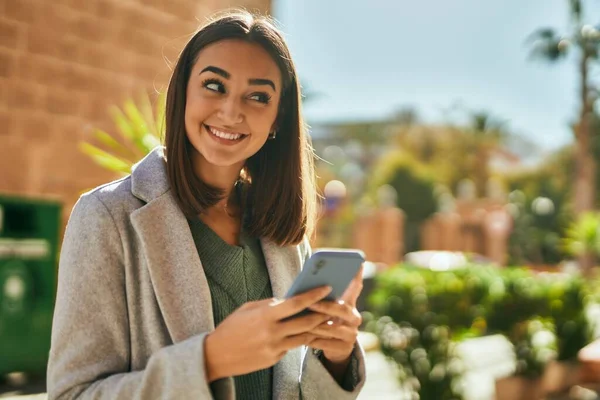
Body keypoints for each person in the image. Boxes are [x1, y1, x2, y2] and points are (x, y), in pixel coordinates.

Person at [47, 10, 366, 400]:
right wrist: (210, 360)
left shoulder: (281, 234)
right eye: (215, 85)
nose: (231, 111)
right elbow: (71, 395)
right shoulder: (107, 216)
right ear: (183, 93)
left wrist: (335, 359)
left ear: (277, 120)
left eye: (258, 96)